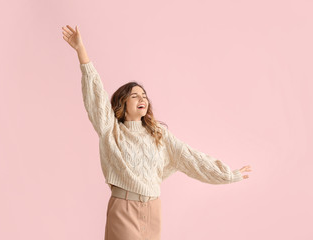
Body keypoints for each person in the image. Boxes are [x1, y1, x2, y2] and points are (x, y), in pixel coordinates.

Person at [62, 24, 252, 240]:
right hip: (124, 209)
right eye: (134, 96)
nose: (142, 99)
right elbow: (95, 94)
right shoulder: (111, 130)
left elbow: (190, 158)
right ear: (121, 105)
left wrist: (228, 174)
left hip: (153, 210)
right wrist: (81, 51)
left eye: (144, 95)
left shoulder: (158, 134)